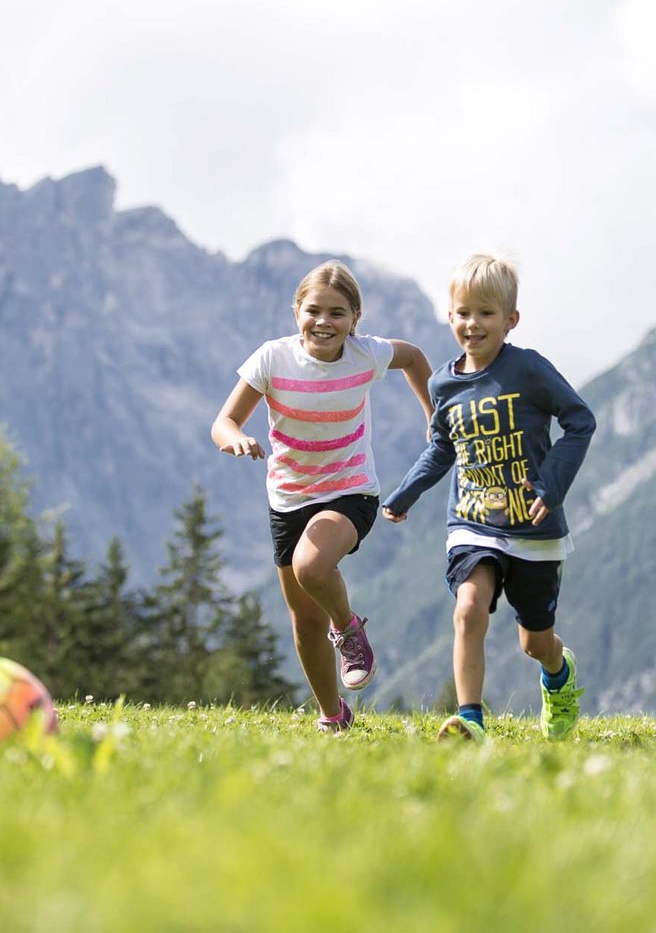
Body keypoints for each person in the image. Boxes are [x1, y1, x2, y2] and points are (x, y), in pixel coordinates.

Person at [382, 254, 596, 743]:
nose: (472, 323)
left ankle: (558, 675)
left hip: (535, 529)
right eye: (462, 312)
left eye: (485, 313)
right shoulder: (443, 384)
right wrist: (405, 494)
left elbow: (580, 420)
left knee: (534, 643)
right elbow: (442, 448)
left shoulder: (529, 369)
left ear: (510, 320)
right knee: (468, 607)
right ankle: (470, 720)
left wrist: (551, 484)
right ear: (449, 315)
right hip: (473, 522)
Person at [213, 260, 433, 733]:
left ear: (355, 318)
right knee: (303, 620)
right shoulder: (272, 358)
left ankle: (349, 628)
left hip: (350, 492)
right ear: (296, 311)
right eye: (314, 310)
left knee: (311, 566)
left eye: (337, 313)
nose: (324, 322)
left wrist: (434, 414)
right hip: (288, 498)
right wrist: (235, 438)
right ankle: (333, 717)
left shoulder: (366, 355)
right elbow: (222, 421)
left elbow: (413, 356)